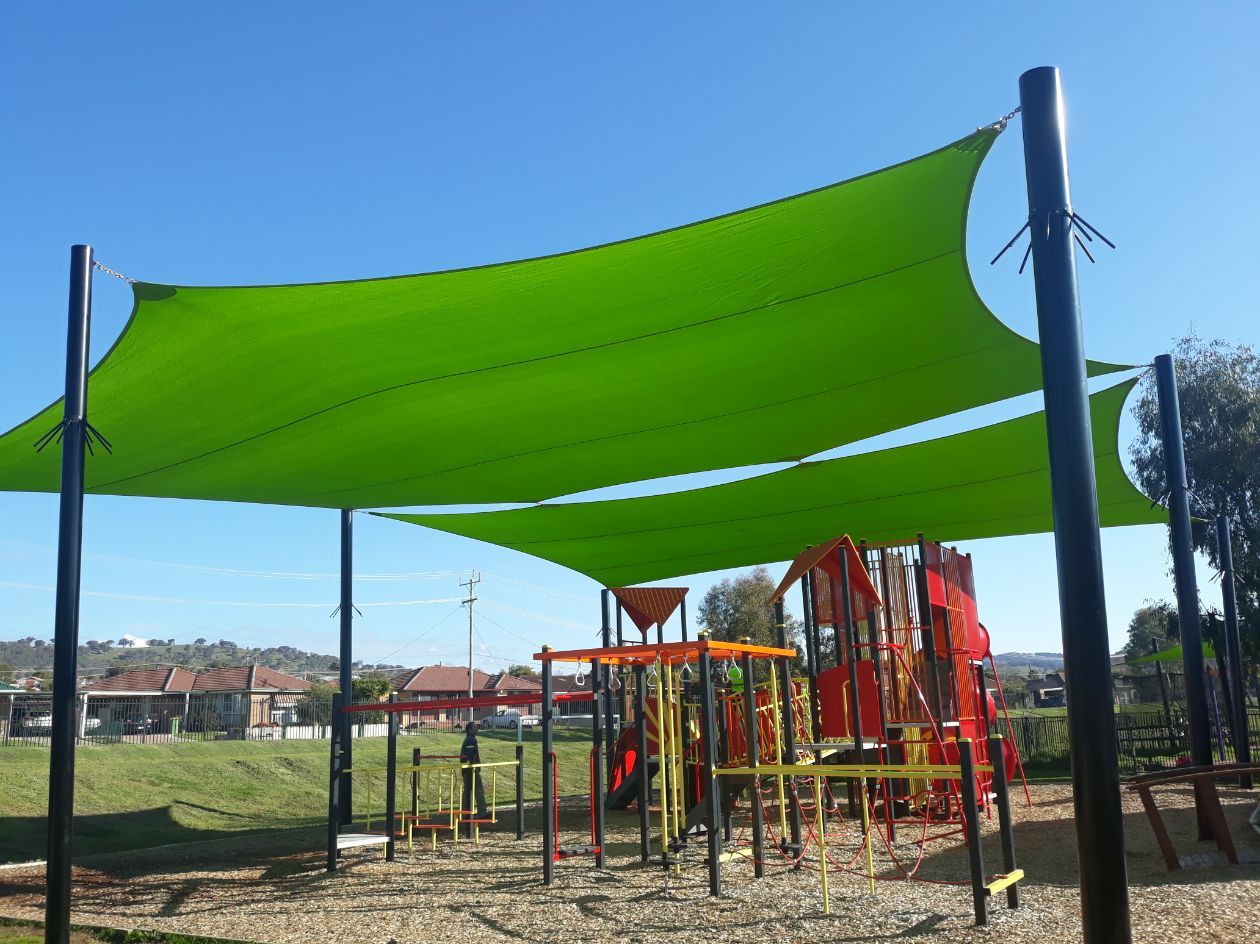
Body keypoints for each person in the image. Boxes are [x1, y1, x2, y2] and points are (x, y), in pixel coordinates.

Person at [460, 721, 488, 835]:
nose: (477, 729)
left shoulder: (469, 739)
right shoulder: (471, 740)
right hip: (471, 769)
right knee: (477, 790)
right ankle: (481, 812)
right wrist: (475, 766)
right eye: (475, 727)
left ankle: (465, 812)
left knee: (468, 790)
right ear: (470, 730)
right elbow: (471, 755)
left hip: (469, 769)